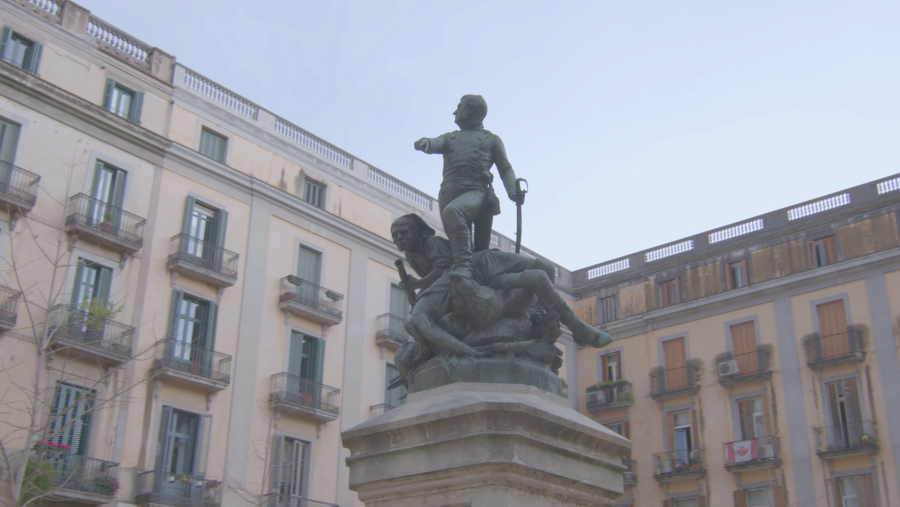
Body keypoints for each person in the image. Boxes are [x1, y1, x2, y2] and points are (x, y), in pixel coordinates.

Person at [390, 215, 611, 379]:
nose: (399, 238)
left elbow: (446, 268)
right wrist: (471, 351)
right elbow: (442, 332)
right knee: (539, 277)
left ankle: (554, 325)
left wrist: (417, 284)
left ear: (418, 233)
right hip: (476, 288)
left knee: (545, 269)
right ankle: (576, 329)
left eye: (403, 233)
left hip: (481, 266)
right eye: (395, 235)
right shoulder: (414, 263)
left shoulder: (431, 244)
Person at [414, 95, 520, 278]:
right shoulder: (451, 138)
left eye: (459, 106)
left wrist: (513, 190)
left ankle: (463, 267)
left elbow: (505, 168)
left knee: (455, 214)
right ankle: (464, 272)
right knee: (459, 244)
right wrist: (426, 143)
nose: (455, 111)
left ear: (470, 110)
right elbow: (435, 143)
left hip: (476, 191)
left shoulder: (492, 139)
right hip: (448, 192)